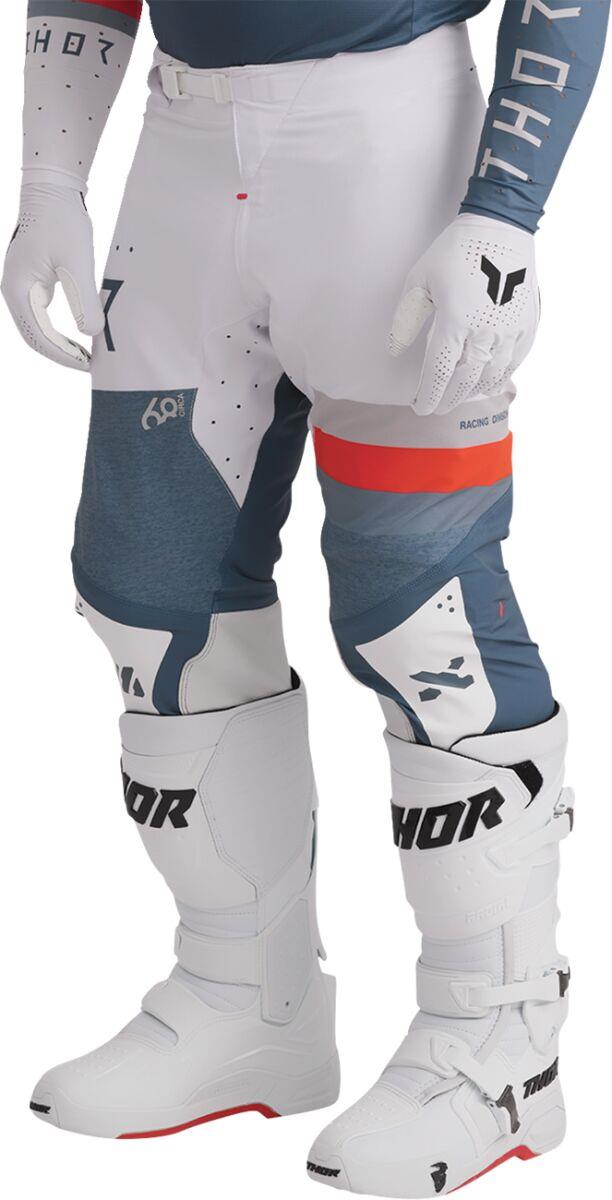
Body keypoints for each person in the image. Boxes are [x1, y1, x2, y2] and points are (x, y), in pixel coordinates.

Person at [2, 0, 608, 1193]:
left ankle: (499, 1045)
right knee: (152, 596)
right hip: (181, 157)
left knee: (420, 610)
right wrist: (50, 178)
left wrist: (505, 208)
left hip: (389, 148)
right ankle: (245, 997)